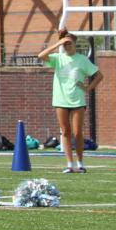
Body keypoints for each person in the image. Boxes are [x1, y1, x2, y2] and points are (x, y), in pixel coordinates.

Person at [39, 29, 102, 173]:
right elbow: (41, 56)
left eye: (69, 43)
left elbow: (99, 76)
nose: (67, 46)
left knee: (78, 132)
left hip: (77, 100)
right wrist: (57, 44)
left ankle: (80, 163)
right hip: (61, 100)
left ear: (75, 44)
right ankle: (69, 164)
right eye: (65, 44)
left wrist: (87, 88)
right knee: (65, 131)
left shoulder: (82, 60)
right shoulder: (58, 58)